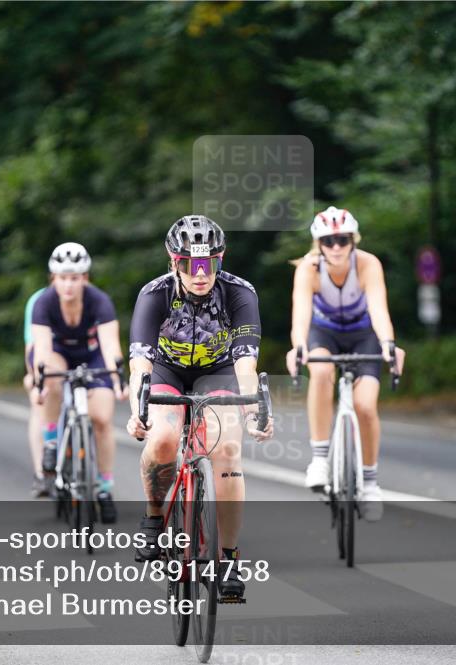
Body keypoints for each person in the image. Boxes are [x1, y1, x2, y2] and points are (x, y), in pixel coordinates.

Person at [125, 215, 273, 601]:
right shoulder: (154, 294)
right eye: (190, 264)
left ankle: (228, 557)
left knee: (226, 451)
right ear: (174, 262)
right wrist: (137, 408)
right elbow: (140, 362)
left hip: (219, 371)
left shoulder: (239, 293)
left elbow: (244, 362)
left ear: (219, 261)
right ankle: (154, 516)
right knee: (163, 440)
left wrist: (252, 409)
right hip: (167, 371)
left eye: (209, 264)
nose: (200, 274)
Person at [285, 206, 405, 522]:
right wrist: (299, 347)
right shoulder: (308, 269)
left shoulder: (367, 264)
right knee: (321, 370)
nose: (336, 247)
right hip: (324, 333)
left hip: (362, 335)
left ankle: (369, 483)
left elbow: (379, 311)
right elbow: (301, 317)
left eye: (342, 240)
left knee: (365, 407)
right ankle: (320, 459)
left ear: (353, 240)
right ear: (318, 244)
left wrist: (388, 346)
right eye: (328, 241)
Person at [31, 243, 126, 522]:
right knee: (52, 375)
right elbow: (43, 350)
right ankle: (51, 442)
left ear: (84, 278)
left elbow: (110, 347)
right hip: (58, 354)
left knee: (102, 419)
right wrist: (42, 383)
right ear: (53, 279)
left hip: (92, 355)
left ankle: (104, 487)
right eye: (62, 278)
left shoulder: (99, 301)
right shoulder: (44, 302)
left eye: (74, 278)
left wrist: (118, 379)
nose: (68, 285)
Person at [23, 281, 50, 497]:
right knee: (38, 403)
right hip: (46, 360)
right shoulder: (38, 301)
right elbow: (31, 347)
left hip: (78, 360)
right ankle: (40, 472)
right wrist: (34, 377)